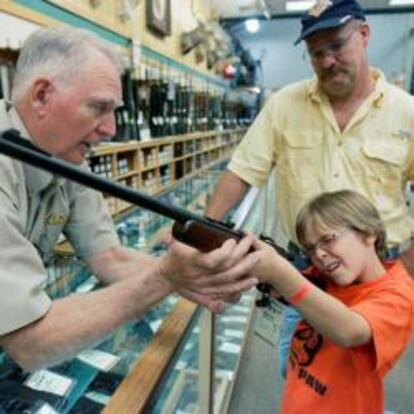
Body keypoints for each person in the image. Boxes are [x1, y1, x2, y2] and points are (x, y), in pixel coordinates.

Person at [0, 27, 259, 371]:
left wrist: (194, 276)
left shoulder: (62, 153)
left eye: (114, 110)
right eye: (98, 108)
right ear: (42, 95)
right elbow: (31, 342)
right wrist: (166, 276)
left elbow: (108, 256)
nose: (110, 129)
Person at [206, 0, 414, 377]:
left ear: (364, 35)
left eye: (336, 46)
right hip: (306, 269)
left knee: (361, 376)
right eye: (316, 53)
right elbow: (241, 172)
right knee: (301, 372)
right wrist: (203, 231)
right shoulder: (284, 105)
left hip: (380, 270)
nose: (327, 61)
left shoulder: (406, 112)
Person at [249, 189, 414, 413]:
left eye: (328, 239)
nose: (320, 255)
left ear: (369, 232)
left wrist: (280, 274)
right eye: (310, 250)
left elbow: (348, 331)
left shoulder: (399, 295)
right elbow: (304, 288)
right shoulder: (328, 277)